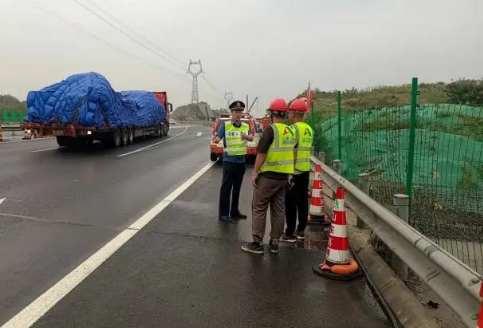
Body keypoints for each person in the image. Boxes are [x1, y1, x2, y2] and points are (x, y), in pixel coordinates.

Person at [241, 98, 296, 255]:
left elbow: (261, 153)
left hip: (268, 177)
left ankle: (257, 243)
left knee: (259, 206)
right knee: (279, 210)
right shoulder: (291, 131)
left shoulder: (270, 131)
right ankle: (274, 243)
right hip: (283, 178)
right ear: (284, 114)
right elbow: (293, 152)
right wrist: (290, 173)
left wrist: (255, 173)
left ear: (271, 114)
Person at [214, 100, 254, 223]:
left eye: (240, 112)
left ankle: (234, 211)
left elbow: (251, 137)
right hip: (229, 160)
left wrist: (246, 137)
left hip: (241, 161)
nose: (238, 114)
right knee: (226, 188)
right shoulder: (226, 126)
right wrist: (216, 139)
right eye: (236, 112)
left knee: (237, 187)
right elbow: (218, 137)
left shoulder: (245, 126)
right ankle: (224, 214)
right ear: (231, 113)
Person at [280, 98, 314, 242]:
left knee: (290, 203)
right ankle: (301, 231)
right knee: (302, 202)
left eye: (290, 112)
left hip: (294, 171)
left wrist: (289, 173)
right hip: (305, 170)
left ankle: (289, 232)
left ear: (294, 113)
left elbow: (292, 151)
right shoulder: (309, 130)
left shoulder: (292, 129)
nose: (289, 115)